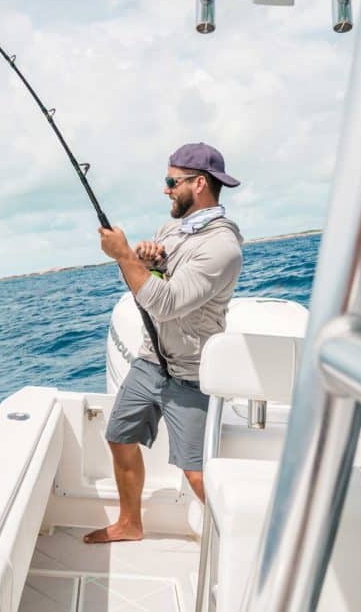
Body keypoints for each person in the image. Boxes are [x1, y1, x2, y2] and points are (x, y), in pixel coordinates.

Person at [87, 142, 243, 544]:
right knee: (119, 436)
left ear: (200, 183)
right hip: (150, 359)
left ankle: (248, 540)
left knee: (196, 473)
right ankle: (130, 523)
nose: (166, 190)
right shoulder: (171, 229)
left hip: (190, 373)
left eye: (172, 182)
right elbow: (159, 282)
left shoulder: (222, 246)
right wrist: (151, 261)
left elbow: (168, 303)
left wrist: (124, 257)